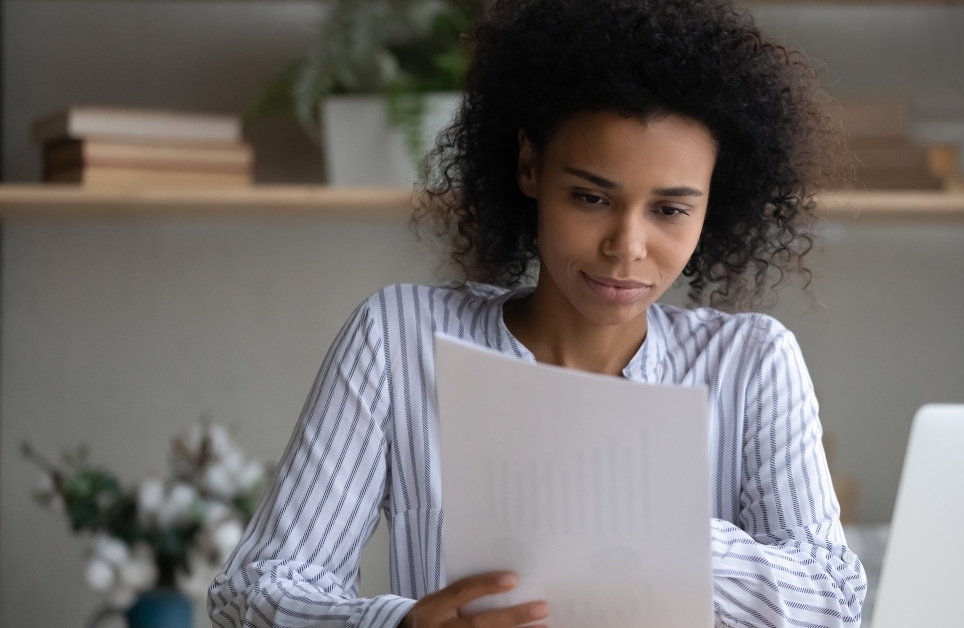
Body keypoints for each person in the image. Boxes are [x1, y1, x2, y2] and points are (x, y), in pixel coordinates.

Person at [209, 0, 866, 626]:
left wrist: (658, 532)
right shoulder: (399, 340)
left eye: (670, 210)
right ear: (529, 166)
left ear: (713, 203)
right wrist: (400, 623)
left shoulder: (750, 364)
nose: (626, 247)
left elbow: (834, 603)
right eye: (590, 197)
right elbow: (254, 591)